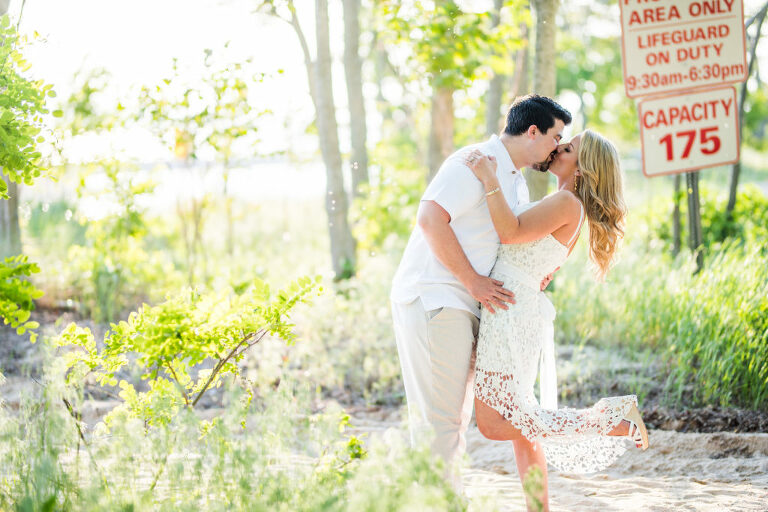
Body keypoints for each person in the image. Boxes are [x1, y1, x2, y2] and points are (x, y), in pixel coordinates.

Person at [389, 94, 572, 485]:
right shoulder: (471, 163)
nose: (558, 147)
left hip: (468, 304)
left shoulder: (513, 182)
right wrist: (473, 281)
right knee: (440, 420)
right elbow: (429, 218)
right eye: (557, 136)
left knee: (454, 420)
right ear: (534, 131)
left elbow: (510, 240)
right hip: (437, 296)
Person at [465, 129, 649, 512]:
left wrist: (488, 178)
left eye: (568, 147)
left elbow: (510, 232)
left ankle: (612, 420)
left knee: (496, 423)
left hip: (510, 311)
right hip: (517, 307)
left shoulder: (566, 202)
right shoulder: (566, 202)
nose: (557, 148)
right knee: (521, 423)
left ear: (581, 167)